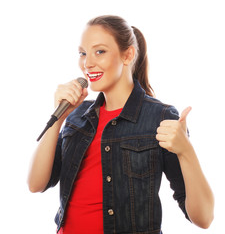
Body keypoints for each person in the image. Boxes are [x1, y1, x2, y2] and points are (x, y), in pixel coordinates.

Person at [27, 15, 214, 234]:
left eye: (100, 51)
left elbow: (204, 218)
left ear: (128, 55)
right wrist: (58, 118)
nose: (87, 63)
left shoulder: (160, 116)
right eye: (83, 53)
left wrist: (186, 152)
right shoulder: (77, 115)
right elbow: (36, 184)